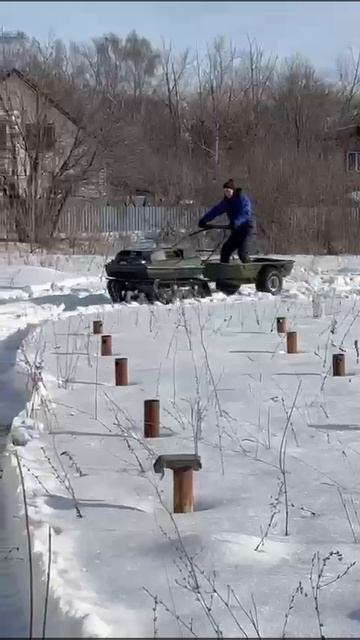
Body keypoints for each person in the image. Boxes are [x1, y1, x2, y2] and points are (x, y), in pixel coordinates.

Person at [198, 178, 253, 263]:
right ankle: (224, 273)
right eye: (225, 191)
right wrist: (204, 219)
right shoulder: (226, 202)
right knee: (225, 250)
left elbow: (245, 214)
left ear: (233, 191)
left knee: (242, 253)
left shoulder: (242, 199)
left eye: (228, 191)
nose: (227, 194)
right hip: (236, 230)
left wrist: (236, 222)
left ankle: (252, 273)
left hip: (246, 230)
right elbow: (216, 211)